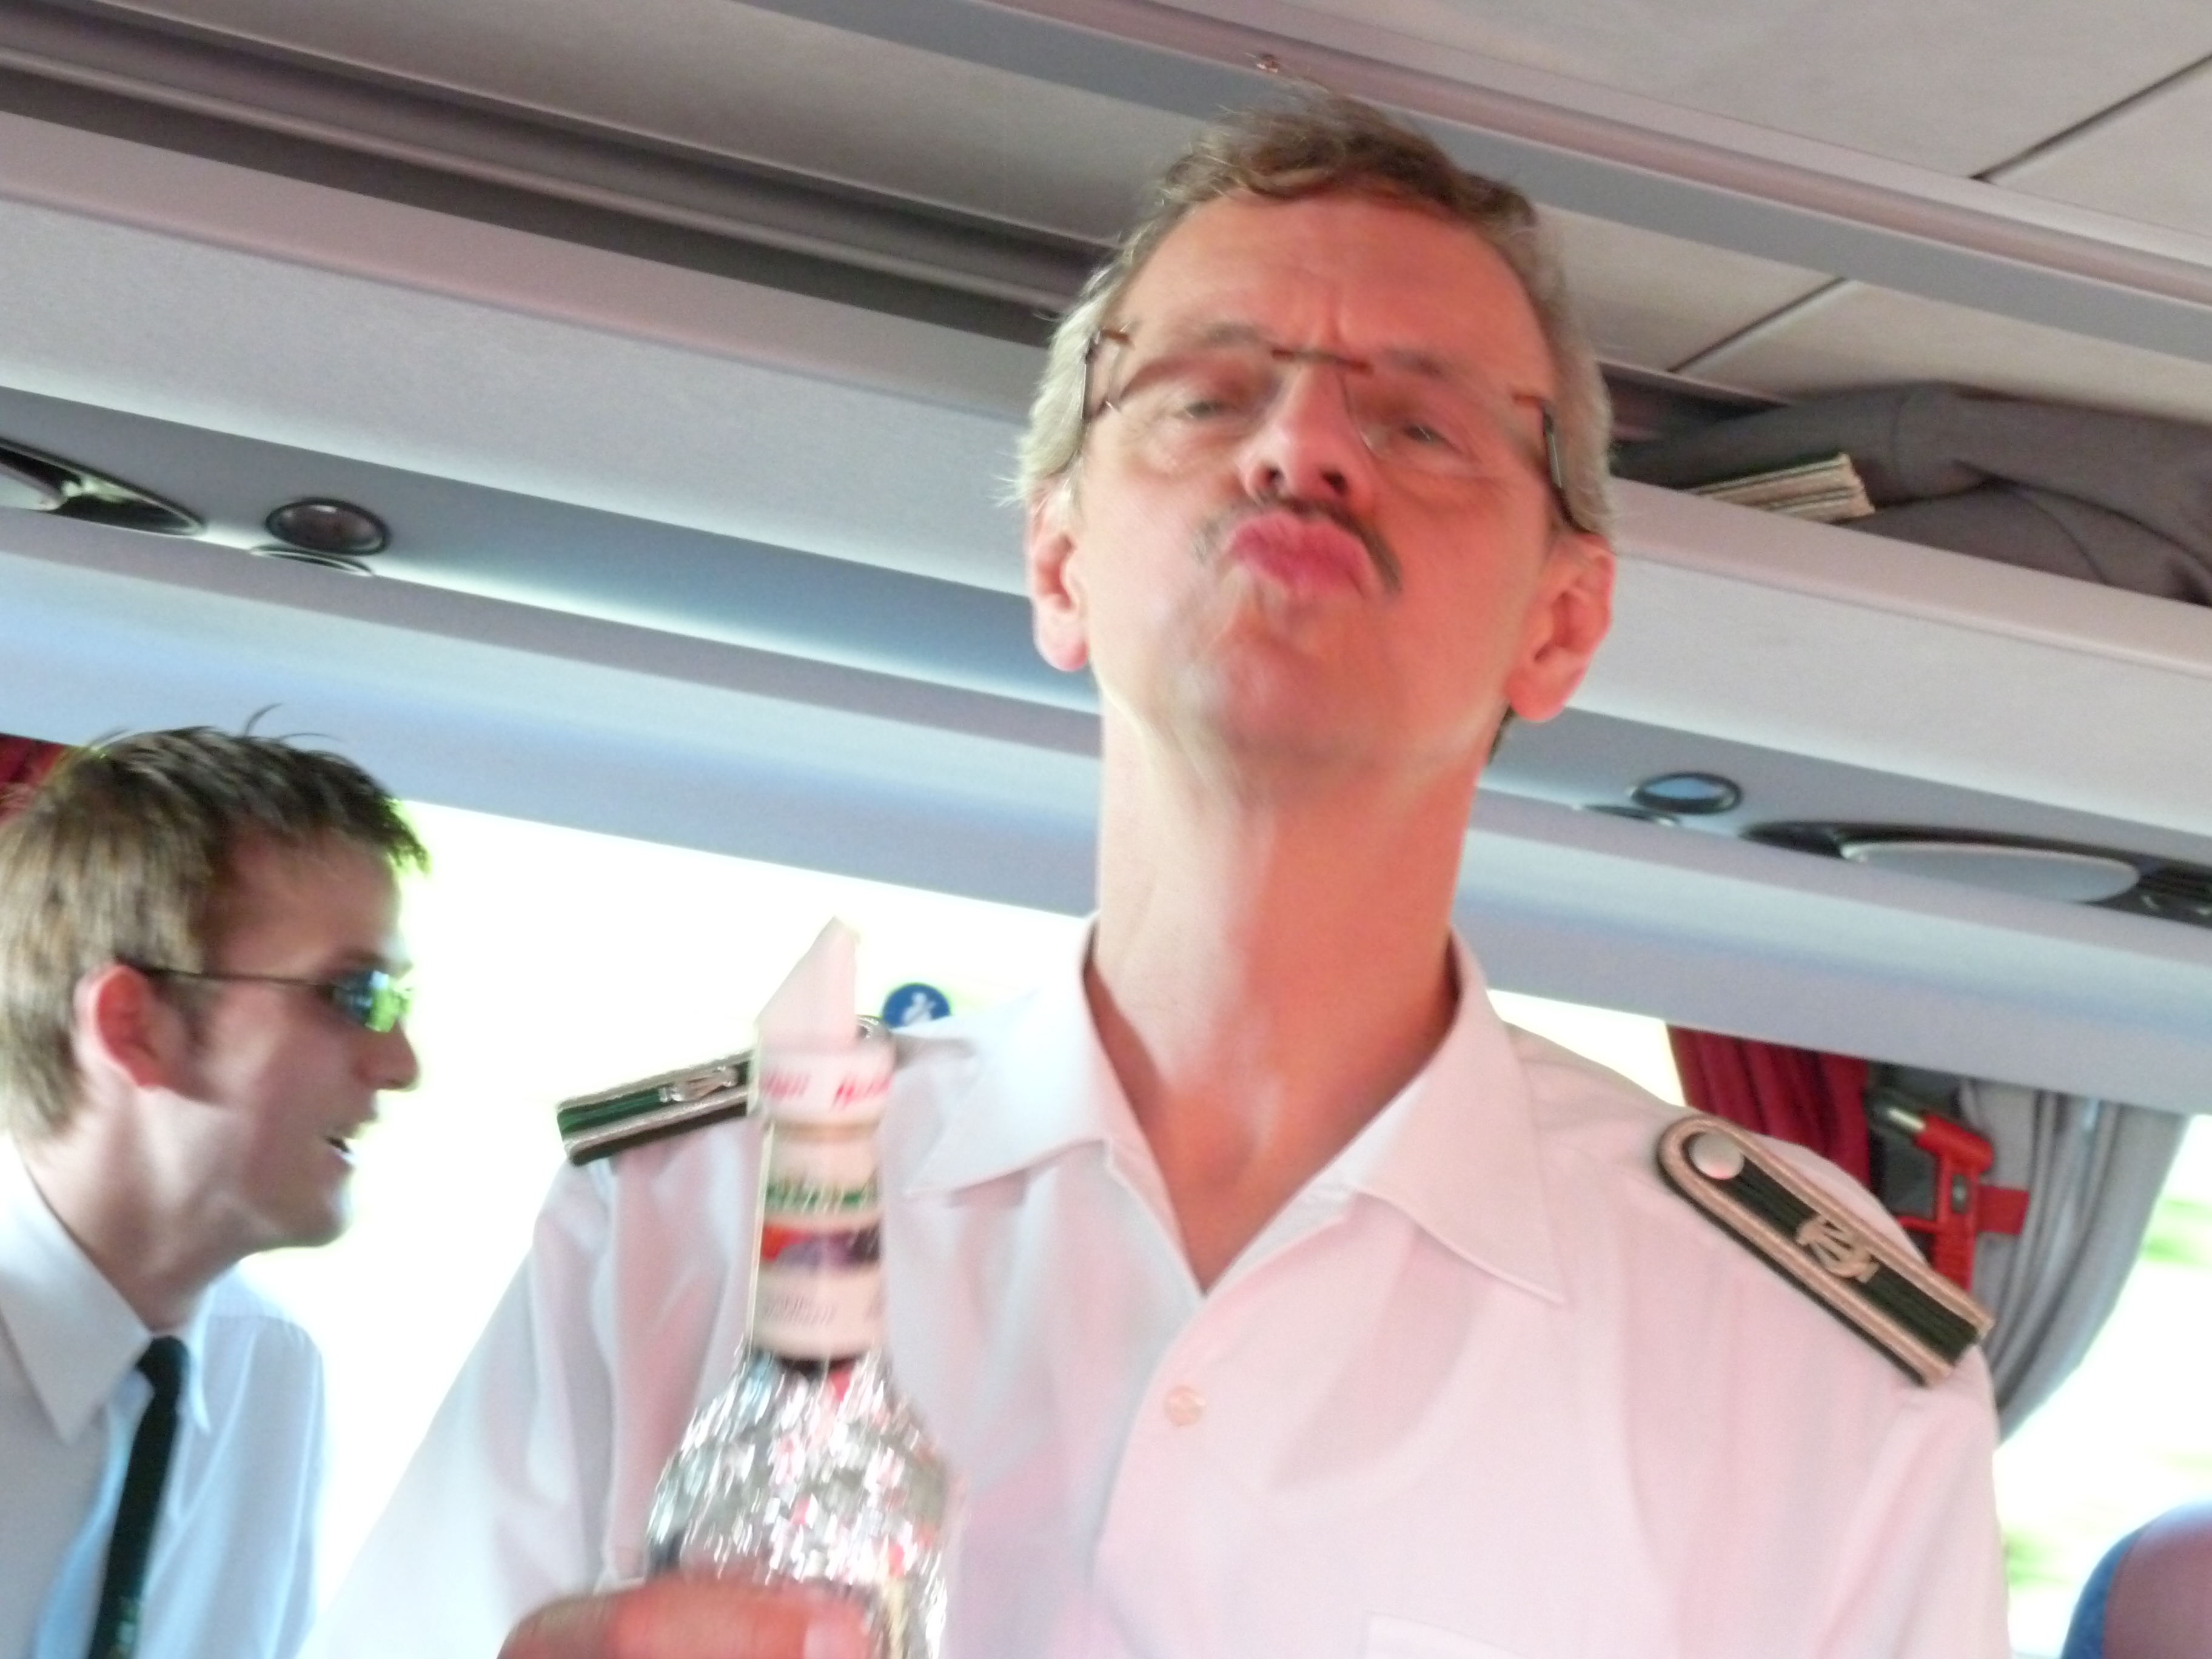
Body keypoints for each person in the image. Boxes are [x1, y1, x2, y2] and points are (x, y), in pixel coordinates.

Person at [310, 93, 2009, 1659]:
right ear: (1059, 562)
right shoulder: (668, 1232)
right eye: (1206, 395)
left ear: (1559, 624)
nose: (1302, 447)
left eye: (1421, 425)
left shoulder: (1805, 1367)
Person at [0, 728, 424, 1659]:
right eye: (353, 995)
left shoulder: (269, 1372)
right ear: (134, 1026)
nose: (400, 1063)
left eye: (398, 1002)